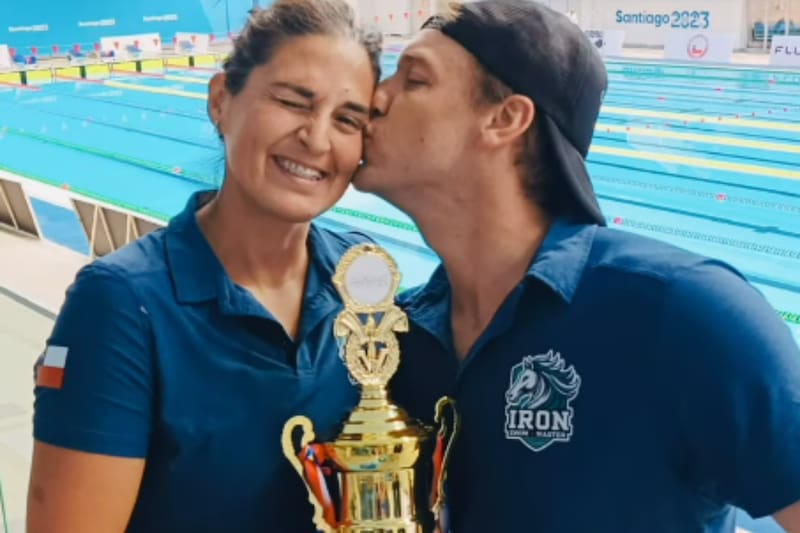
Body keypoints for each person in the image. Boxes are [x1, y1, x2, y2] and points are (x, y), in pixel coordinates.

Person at [354, 1, 800, 532]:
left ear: (504, 118)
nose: (374, 98)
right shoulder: (400, 342)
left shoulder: (681, 313)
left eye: (415, 79)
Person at [27, 1, 381, 532]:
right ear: (221, 100)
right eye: (292, 101)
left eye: (347, 119)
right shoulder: (123, 304)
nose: (317, 137)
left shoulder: (365, 280)